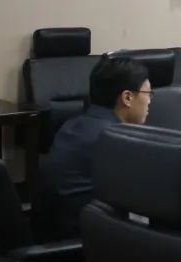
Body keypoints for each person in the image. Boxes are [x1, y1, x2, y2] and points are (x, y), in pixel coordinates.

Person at [32, 56, 151, 240]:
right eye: (148, 94)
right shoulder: (116, 141)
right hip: (78, 245)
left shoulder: (71, 125)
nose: (150, 101)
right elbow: (144, 201)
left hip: (49, 235)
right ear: (127, 98)